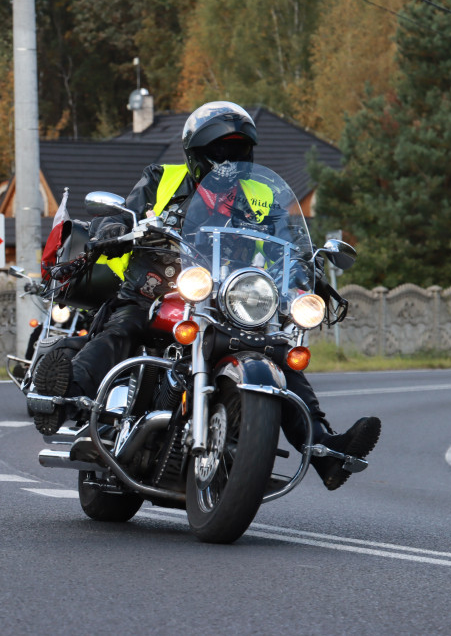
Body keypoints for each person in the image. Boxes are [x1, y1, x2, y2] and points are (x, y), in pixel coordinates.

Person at [34, 101, 380, 490]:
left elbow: (289, 241)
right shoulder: (162, 178)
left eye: (237, 152)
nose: (227, 161)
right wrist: (114, 226)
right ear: (196, 154)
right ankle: (63, 395)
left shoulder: (261, 193)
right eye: (218, 152)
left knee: (281, 357)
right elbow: (129, 212)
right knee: (124, 325)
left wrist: (305, 268)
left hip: (228, 302)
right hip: (158, 289)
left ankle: (325, 452)